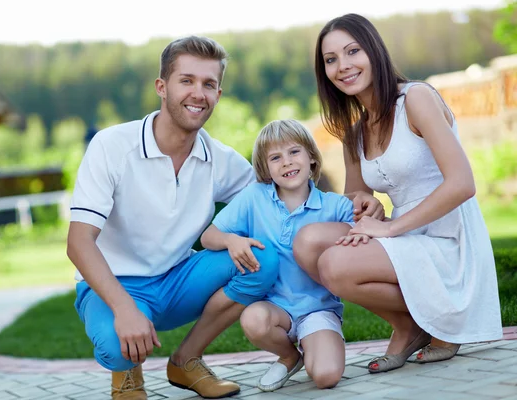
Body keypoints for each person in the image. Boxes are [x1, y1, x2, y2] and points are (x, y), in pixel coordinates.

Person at [66, 36, 280, 400]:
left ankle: (186, 359)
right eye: (187, 80)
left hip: (179, 281)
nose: (198, 93)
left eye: (208, 84)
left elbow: (273, 199)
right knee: (116, 350)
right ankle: (127, 375)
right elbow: (78, 243)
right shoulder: (112, 146)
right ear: (162, 88)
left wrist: (345, 208)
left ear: (218, 94)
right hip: (116, 285)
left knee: (262, 260)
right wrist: (124, 310)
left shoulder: (220, 158)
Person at [294, 13, 503, 374]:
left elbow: (462, 184)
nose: (343, 66)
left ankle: (442, 323)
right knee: (308, 243)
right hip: (408, 237)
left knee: (334, 263)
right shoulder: (354, 133)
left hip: (449, 239)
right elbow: (355, 200)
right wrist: (366, 204)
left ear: (373, 50)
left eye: (352, 51)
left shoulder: (415, 99)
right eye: (331, 60)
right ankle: (411, 326)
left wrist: (390, 228)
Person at [201, 120, 363, 391]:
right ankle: (289, 357)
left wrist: (374, 214)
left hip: (317, 309)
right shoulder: (254, 197)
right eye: (275, 157)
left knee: (326, 376)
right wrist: (231, 240)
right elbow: (209, 236)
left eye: (294, 152)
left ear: (312, 157)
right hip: (275, 310)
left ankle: (319, 343)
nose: (286, 162)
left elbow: (363, 236)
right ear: (266, 168)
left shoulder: (335, 206)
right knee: (252, 318)